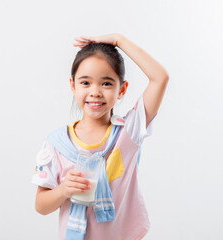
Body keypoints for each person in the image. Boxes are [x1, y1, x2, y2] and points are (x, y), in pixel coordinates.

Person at [32, 33, 169, 240]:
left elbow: (160, 78)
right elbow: (41, 206)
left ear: (122, 89)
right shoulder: (57, 143)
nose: (95, 92)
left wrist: (118, 40)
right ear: (73, 86)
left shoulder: (128, 133)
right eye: (85, 83)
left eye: (106, 83)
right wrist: (63, 190)